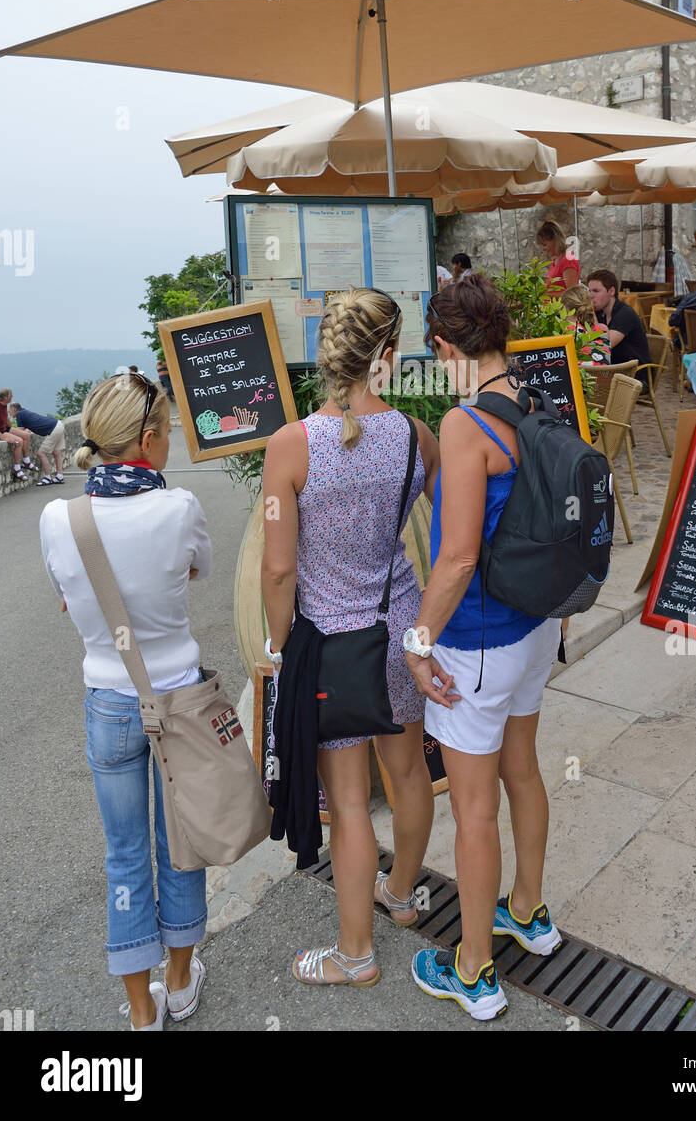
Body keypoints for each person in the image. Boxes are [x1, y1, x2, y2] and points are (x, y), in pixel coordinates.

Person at [261, 288, 440, 986]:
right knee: (408, 772)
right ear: (386, 358)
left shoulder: (292, 444)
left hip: (333, 645)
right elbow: (449, 519)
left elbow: (279, 568)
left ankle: (355, 955)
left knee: (348, 799)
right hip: (400, 628)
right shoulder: (415, 436)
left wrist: (278, 649)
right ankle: (400, 898)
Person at [404, 273, 563, 1021]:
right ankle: (527, 911)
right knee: (522, 771)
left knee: (472, 809)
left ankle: (473, 970)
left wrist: (417, 638)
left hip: (476, 643)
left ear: (444, 346)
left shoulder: (468, 424)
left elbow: (458, 557)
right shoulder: (539, 399)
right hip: (538, 627)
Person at [39, 373, 211, 1030]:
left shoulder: (60, 518)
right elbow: (197, 568)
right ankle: (179, 978)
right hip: (180, 702)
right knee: (180, 843)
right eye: (166, 431)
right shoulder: (179, 507)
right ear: (146, 440)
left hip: (109, 702)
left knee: (126, 854)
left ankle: (142, 1012)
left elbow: (67, 593)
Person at [587, 270, 651, 386]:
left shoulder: (625, 314)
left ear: (611, 291)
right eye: (589, 291)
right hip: (615, 372)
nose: (590, 296)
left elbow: (603, 346)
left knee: (586, 386)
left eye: (596, 291)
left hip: (635, 378)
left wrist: (590, 312)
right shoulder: (601, 313)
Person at [11, 403, 65, 485]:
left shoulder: (19, 415)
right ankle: (59, 476)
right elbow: (31, 422)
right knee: (56, 452)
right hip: (58, 424)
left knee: (41, 453)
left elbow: (19, 432)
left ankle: (47, 478)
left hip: (53, 429)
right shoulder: (24, 412)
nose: (9, 414)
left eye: (9, 412)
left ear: (14, 410)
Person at [0, 388, 35, 480]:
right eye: (11, 395)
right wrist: (3, 437)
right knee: (19, 441)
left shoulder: (4, 405)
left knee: (26, 435)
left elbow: (6, 419)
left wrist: (14, 430)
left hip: (4, 428)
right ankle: (17, 469)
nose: (12, 397)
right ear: (5, 397)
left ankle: (26, 461)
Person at [560, 284, 611, 364]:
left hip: (581, 375)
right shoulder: (603, 329)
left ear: (564, 308)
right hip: (604, 375)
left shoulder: (566, 330)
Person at [536, 220, 580, 295]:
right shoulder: (555, 260)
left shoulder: (568, 261)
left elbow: (572, 294)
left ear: (555, 240)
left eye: (545, 244)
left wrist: (544, 294)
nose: (544, 249)